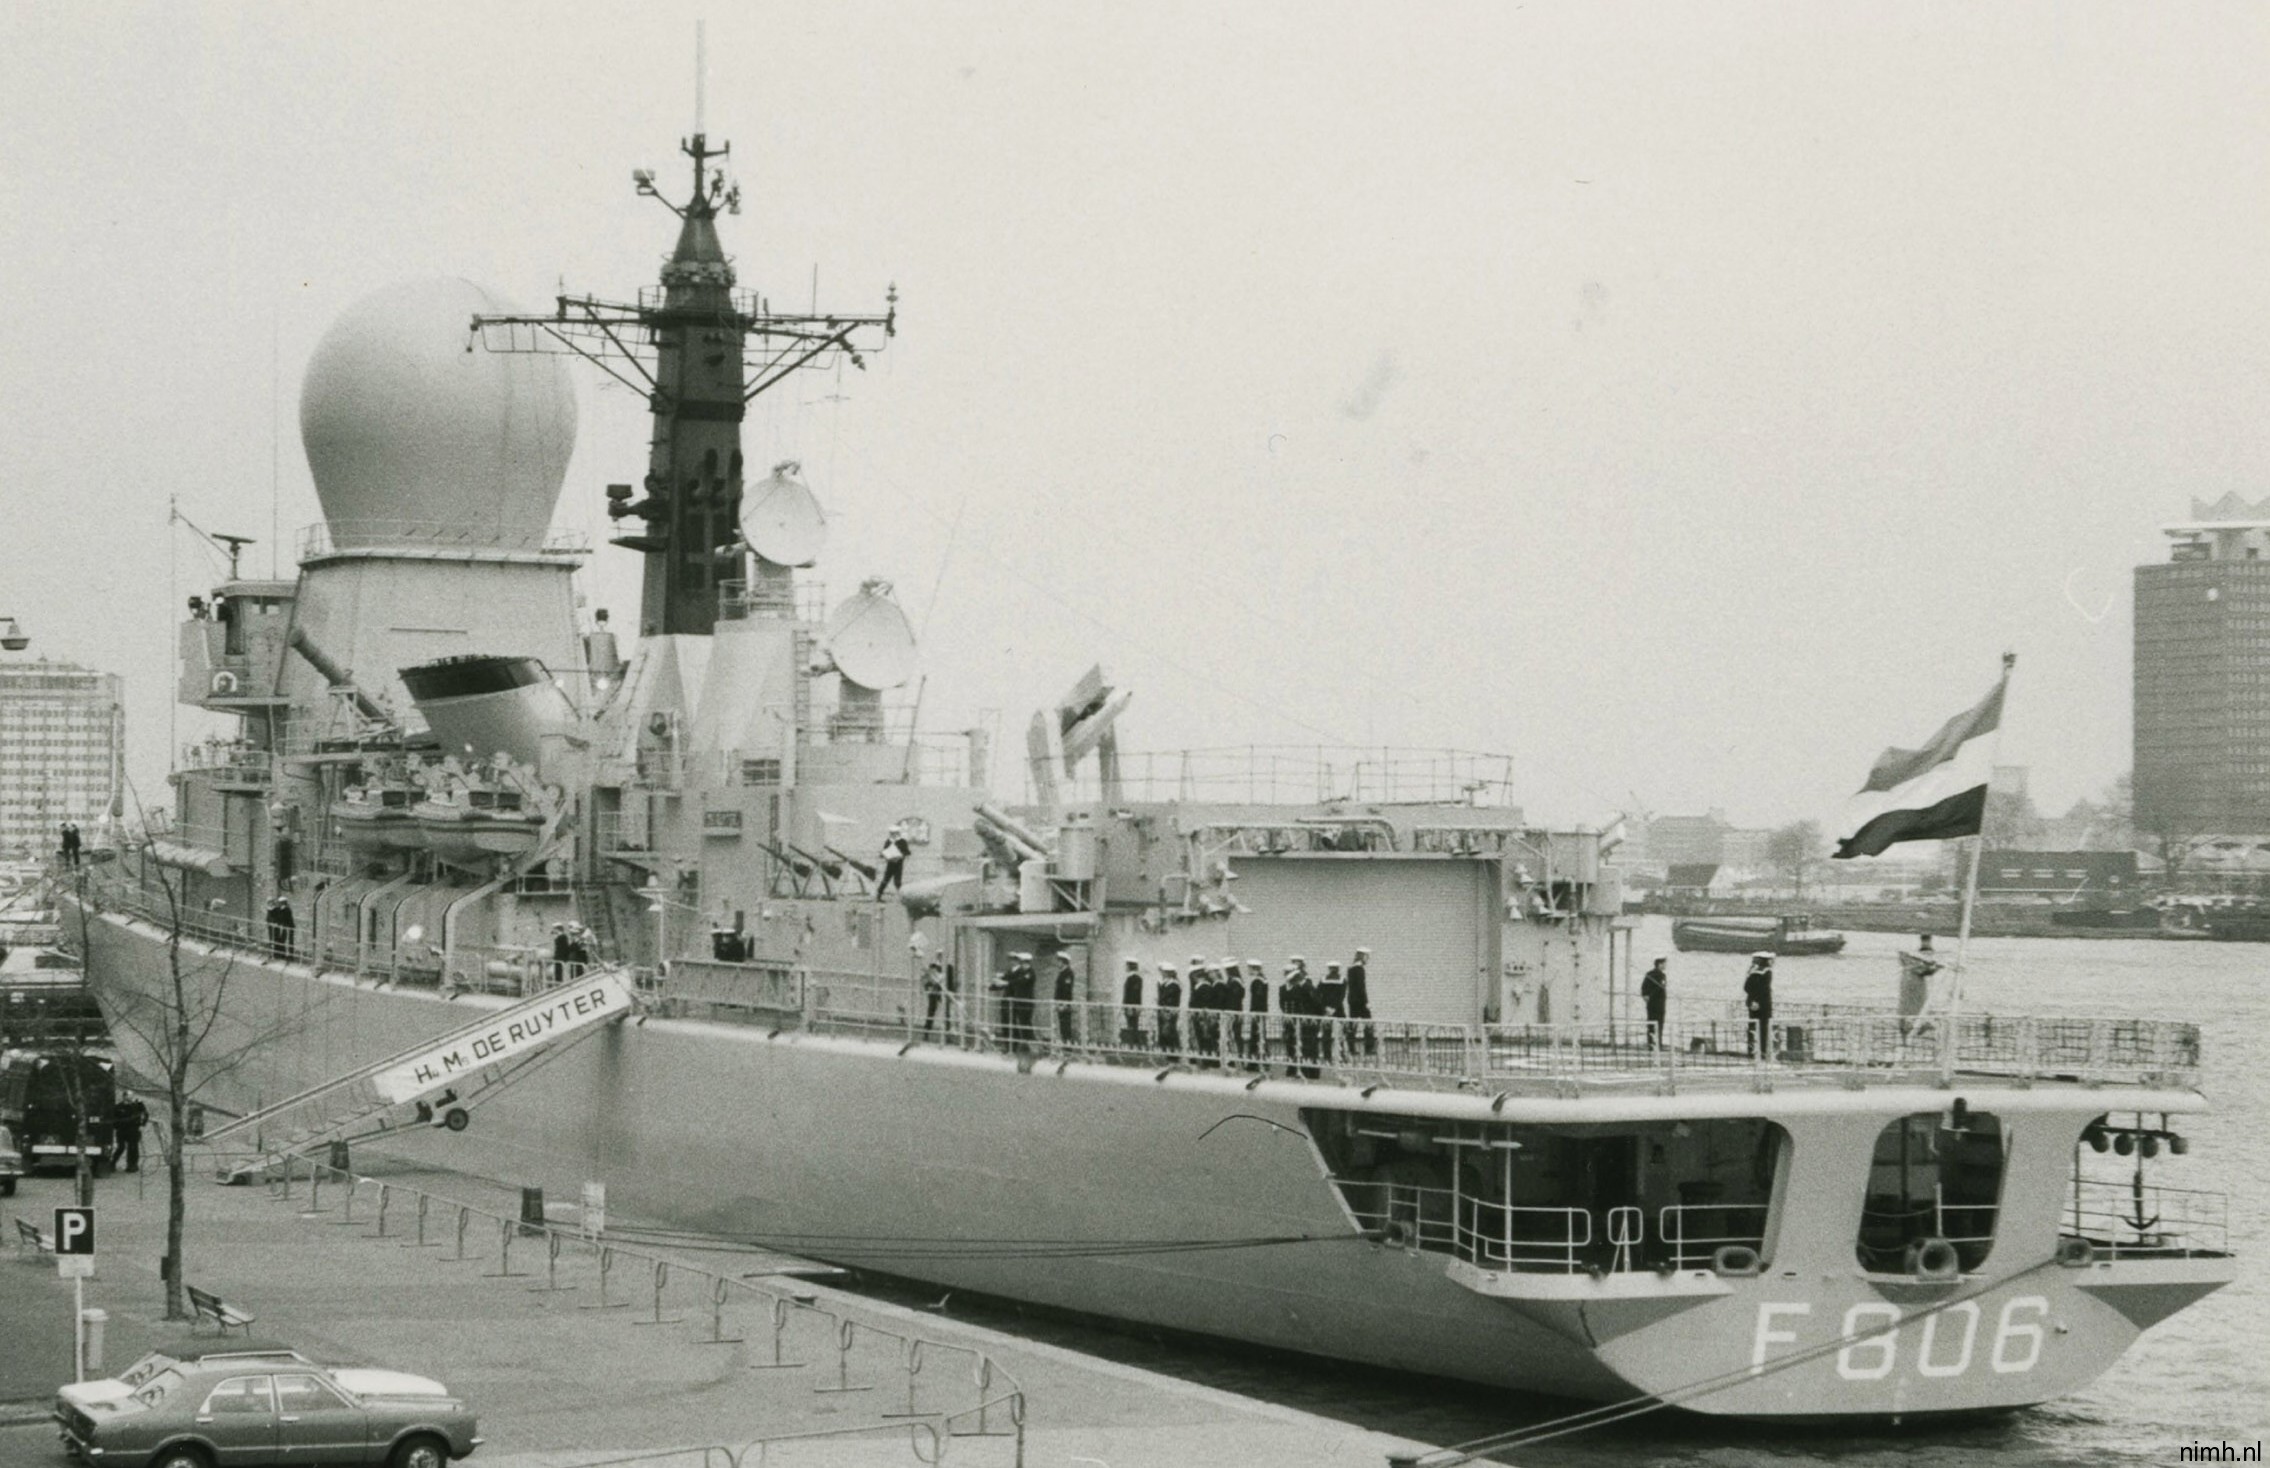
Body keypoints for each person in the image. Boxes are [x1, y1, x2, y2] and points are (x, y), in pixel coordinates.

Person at [1898, 934, 1943, 1039]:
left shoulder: (1909, 964)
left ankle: (1910, 1029)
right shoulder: (1912, 963)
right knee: (1914, 1007)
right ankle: (1911, 1028)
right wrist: (1937, 967)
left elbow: (1924, 969)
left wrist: (1934, 967)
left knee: (1912, 1007)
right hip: (1914, 985)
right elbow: (1923, 970)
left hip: (1913, 985)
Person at [1743, 952, 1775, 1058]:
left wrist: (1752, 1000)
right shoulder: (1767, 972)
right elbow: (1764, 990)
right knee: (1764, 1028)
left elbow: (1747, 987)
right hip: (1764, 1004)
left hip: (1753, 1004)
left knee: (1752, 1027)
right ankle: (1763, 1051)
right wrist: (1758, 1000)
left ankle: (1751, 1050)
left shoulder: (1752, 972)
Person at [109, 1094, 148, 1173]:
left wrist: (142, 1125)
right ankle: (112, 1164)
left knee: (133, 1148)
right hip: (121, 1130)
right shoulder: (118, 1107)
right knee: (121, 1147)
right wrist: (116, 1126)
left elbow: (146, 1114)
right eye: (127, 1096)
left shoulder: (137, 1106)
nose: (129, 1098)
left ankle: (132, 1165)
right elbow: (113, 1118)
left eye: (130, 1096)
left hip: (134, 1130)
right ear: (123, 1097)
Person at [1346, 947, 1374, 1057]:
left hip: (1352, 1000)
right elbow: (1361, 987)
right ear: (1363, 957)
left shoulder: (1351, 968)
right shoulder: (1359, 969)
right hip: (1360, 1001)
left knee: (1353, 1025)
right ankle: (1369, 1048)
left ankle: (1351, 1048)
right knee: (1368, 1024)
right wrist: (1366, 1002)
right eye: (1367, 957)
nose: (1368, 959)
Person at [1318, 962, 1348, 1063]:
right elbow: (1342, 996)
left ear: (1329, 969)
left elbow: (1318, 994)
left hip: (1326, 1011)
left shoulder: (1323, 979)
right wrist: (1334, 1008)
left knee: (1326, 1034)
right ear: (1338, 969)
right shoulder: (1342, 979)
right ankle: (1342, 1055)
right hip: (1339, 1010)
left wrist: (1325, 1008)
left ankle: (1327, 1057)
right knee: (1341, 1033)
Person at [1245, 960, 1271, 1062]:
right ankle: (1261, 1057)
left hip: (1258, 1012)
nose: (1248, 970)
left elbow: (1257, 998)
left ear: (1253, 968)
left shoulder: (1258, 981)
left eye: (1249, 968)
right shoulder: (1263, 979)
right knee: (1260, 1034)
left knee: (1257, 1035)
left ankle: (1257, 1059)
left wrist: (1254, 1011)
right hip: (1261, 1012)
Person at [1155, 963, 1183, 1057]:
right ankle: (1165, 1053)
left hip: (1169, 1012)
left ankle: (1173, 1055)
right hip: (1162, 1012)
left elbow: (1169, 1000)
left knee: (1169, 1032)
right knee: (1163, 1033)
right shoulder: (1164, 983)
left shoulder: (1173, 985)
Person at [1639, 957, 1668, 1049]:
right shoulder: (1660, 975)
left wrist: (1646, 995)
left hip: (1653, 1003)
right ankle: (1657, 1044)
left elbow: (1644, 988)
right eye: (1664, 964)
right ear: (1659, 964)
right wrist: (1647, 996)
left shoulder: (1650, 974)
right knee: (1658, 1023)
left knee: (1652, 1023)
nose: (1665, 966)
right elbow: (1659, 988)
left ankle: (1652, 1044)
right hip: (1658, 1004)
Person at [877, 825, 911, 899]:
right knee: (885, 879)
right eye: (892, 833)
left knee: (897, 881)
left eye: (894, 833)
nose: (893, 835)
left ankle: (902, 896)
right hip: (890, 863)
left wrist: (902, 855)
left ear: (898, 833)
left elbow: (907, 852)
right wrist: (883, 854)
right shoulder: (888, 841)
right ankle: (879, 895)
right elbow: (885, 850)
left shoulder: (902, 841)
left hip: (899, 863)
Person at [1119, 958, 1146, 1048]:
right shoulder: (1130, 978)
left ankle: (1134, 1044)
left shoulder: (1135, 978)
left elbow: (1134, 995)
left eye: (1126, 965)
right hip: (1129, 1006)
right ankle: (1132, 1044)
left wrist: (1131, 1006)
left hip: (1132, 1007)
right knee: (1131, 1025)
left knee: (1133, 1025)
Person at [1053, 953, 1079, 1045]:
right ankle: (1065, 1046)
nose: (1058, 963)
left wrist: (1064, 1004)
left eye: (1059, 961)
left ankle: (1068, 1048)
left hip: (1064, 1005)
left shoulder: (1068, 973)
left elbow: (1067, 991)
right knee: (1062, 1026)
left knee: (1066, 1027)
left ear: (1064, 962)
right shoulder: (1062, 973)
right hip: (1060, 1003)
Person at [922, 958, 951, 1038]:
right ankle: (926, 1032)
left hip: (940, 992)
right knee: (931, 1012)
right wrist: (929, 988)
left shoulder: (944, 970)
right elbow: (927, 982)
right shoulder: (933, 970)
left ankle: (946, 1033)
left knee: (946, 1012)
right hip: (934, 993)